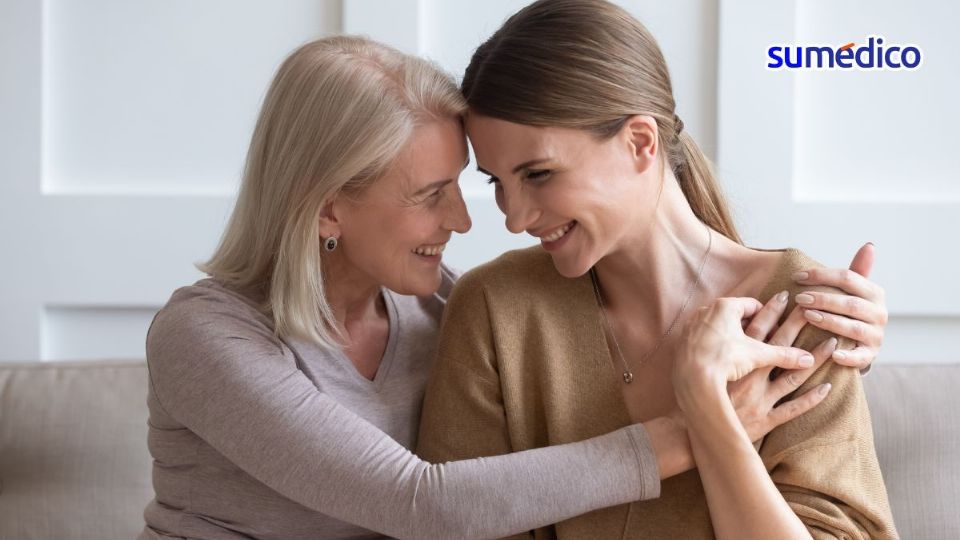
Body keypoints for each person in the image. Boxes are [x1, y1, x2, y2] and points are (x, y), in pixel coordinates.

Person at [140, 34, 888, 540]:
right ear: (327, 205)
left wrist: (844, 326)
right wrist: (703, 417)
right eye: (431, 194)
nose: (473, 218)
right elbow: (422, 502)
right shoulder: (206, 336)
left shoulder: (450, 310)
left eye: (469, 184)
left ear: (642, 144)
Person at [415, 1, 898, 539]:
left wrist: (708, 410)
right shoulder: (494, 307)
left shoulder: (798, 311)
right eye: (497, 182)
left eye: (539, 174)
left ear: (640, 143)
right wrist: (692, 426)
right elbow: (451, 521)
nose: (515, 217)